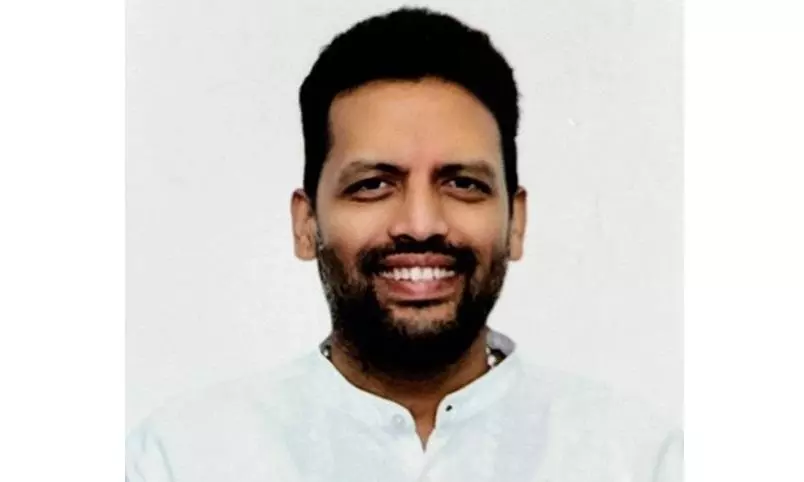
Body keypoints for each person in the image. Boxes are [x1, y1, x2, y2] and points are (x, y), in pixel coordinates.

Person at [126, 7, 682, 482]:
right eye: (373, 185)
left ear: (516, 222)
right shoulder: (186, 458)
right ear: (306, 223)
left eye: (463, 183)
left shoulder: (636, 459)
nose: (420, 224)